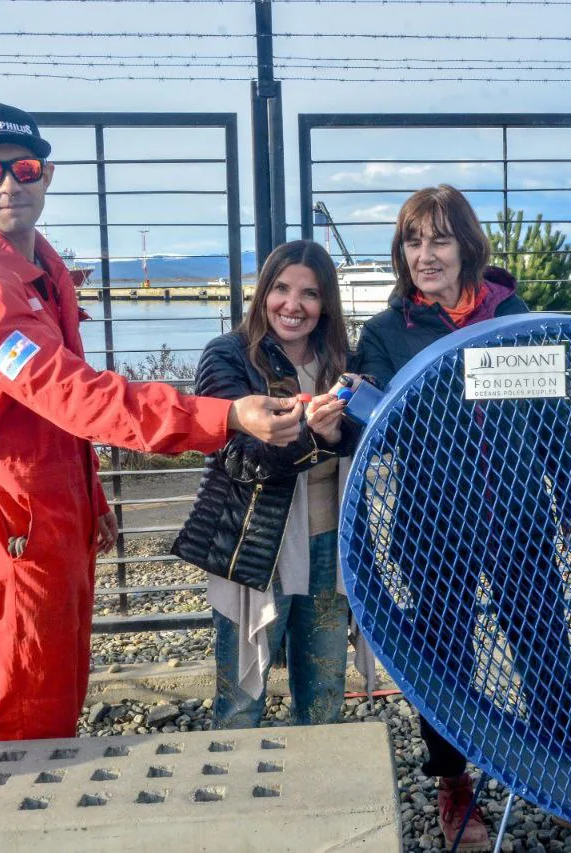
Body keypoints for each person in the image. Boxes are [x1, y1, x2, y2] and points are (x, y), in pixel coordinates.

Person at [0, 102, 303, 742]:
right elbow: (66, 391)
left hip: (51, 501)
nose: (9, 183)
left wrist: (89, 492)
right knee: (28, 704)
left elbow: (51, 411)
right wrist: (225, 414)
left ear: (47, 176)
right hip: (12, 510)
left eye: (25, 167)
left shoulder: (39, 265)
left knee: (59, 681)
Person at [352, 185, 571, 852]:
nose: (424, 254)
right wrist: (344, 403)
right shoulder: (386, 332)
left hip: (518, 518)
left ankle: (568, 778)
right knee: (445, 662)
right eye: (412, 241)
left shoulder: (510, 312)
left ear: (466, 245)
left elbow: (551, 416)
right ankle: (452, 783)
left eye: (438, 239)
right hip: (434, 529)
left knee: (546, 653)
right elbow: (367, 421)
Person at [173, 239, 365, 728]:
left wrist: (347, 425)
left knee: (324, 693)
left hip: (332, 545)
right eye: (280, 288)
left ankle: (314, 796)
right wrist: (317, 439)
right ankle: (236, 798)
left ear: (327, 305)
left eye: (310, 294)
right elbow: (239, 458)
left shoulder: (343, 360)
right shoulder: (227, 356)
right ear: (262, 294)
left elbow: (368, 437)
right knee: (240, 699)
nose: (293, 305)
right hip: (257, 548)